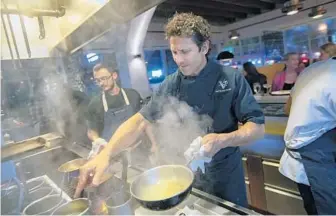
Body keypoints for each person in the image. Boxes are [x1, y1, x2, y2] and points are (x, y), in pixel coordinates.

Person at [75, 13, 265, 207]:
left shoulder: (231, 78)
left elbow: (257, 128)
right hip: (188, 176)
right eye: (174, 52)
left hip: (226, 176)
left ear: (204, 47)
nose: (179, 60)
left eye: (185, 51)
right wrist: (106, 154)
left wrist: (222, 140)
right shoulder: (171, 84)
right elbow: (140, 121)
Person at [279, 57, 336, 214]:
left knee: (314, 208)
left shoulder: (312, 69)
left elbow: (287, 109)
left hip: (303, 155)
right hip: (318, 158)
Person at [86, 63, 157, 158]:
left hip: (138, 151)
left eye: (104, 78)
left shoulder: (132, 95)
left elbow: (144, 121)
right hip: (114, 156)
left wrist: (154, 143)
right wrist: (97, 140)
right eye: (97, 81)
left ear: (114, 76)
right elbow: (91, 130)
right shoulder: (95, 104)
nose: (101, 83)